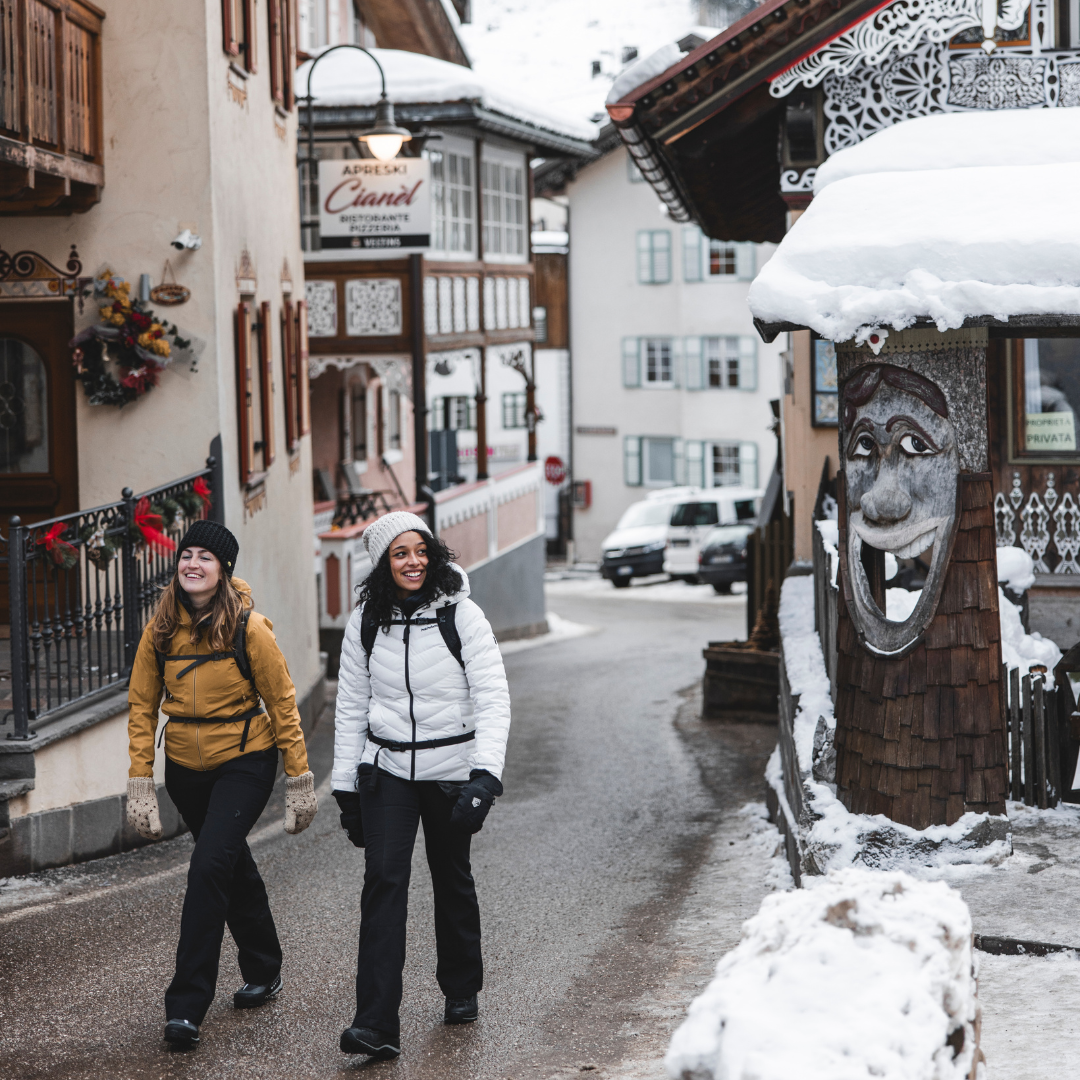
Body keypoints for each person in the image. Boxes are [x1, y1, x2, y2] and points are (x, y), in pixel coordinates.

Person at [125, 519, 318, 1048]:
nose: (192, 563)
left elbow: (281, 700)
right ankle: (264, 964)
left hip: (245, 760)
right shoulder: (160, 629)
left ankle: (185, 1006)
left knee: (208, 865)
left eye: (204, 557)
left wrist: (299, 776)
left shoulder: (248, 628)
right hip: (185, 768)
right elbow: (142, 705)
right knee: (228, 860)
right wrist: (141, 779)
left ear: (223, 569)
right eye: (186, 554)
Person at [332, 511, 511, 1060]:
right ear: (384, 564)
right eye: (400, 554)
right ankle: (376, 1024)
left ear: (433, 554)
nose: (413, 562)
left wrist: (486, 777)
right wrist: (345, 787)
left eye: (420, 551)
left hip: (452, 771)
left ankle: (460, 986)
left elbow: (492, 696)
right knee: (383, 882)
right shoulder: (366, 621)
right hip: (387, 771)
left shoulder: (463, 615)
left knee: (450, 877)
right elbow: (350, 707)